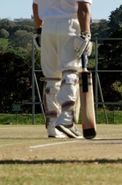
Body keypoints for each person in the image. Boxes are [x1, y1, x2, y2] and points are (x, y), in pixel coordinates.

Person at [32, 0, 92, 138]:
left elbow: (35, 5)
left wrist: (38, 30)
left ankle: (53, 125)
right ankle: (66, 119)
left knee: (51, 77)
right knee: (70, 71)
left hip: (47, 28)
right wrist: (86, 34)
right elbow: (83, 8)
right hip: (70, 25)